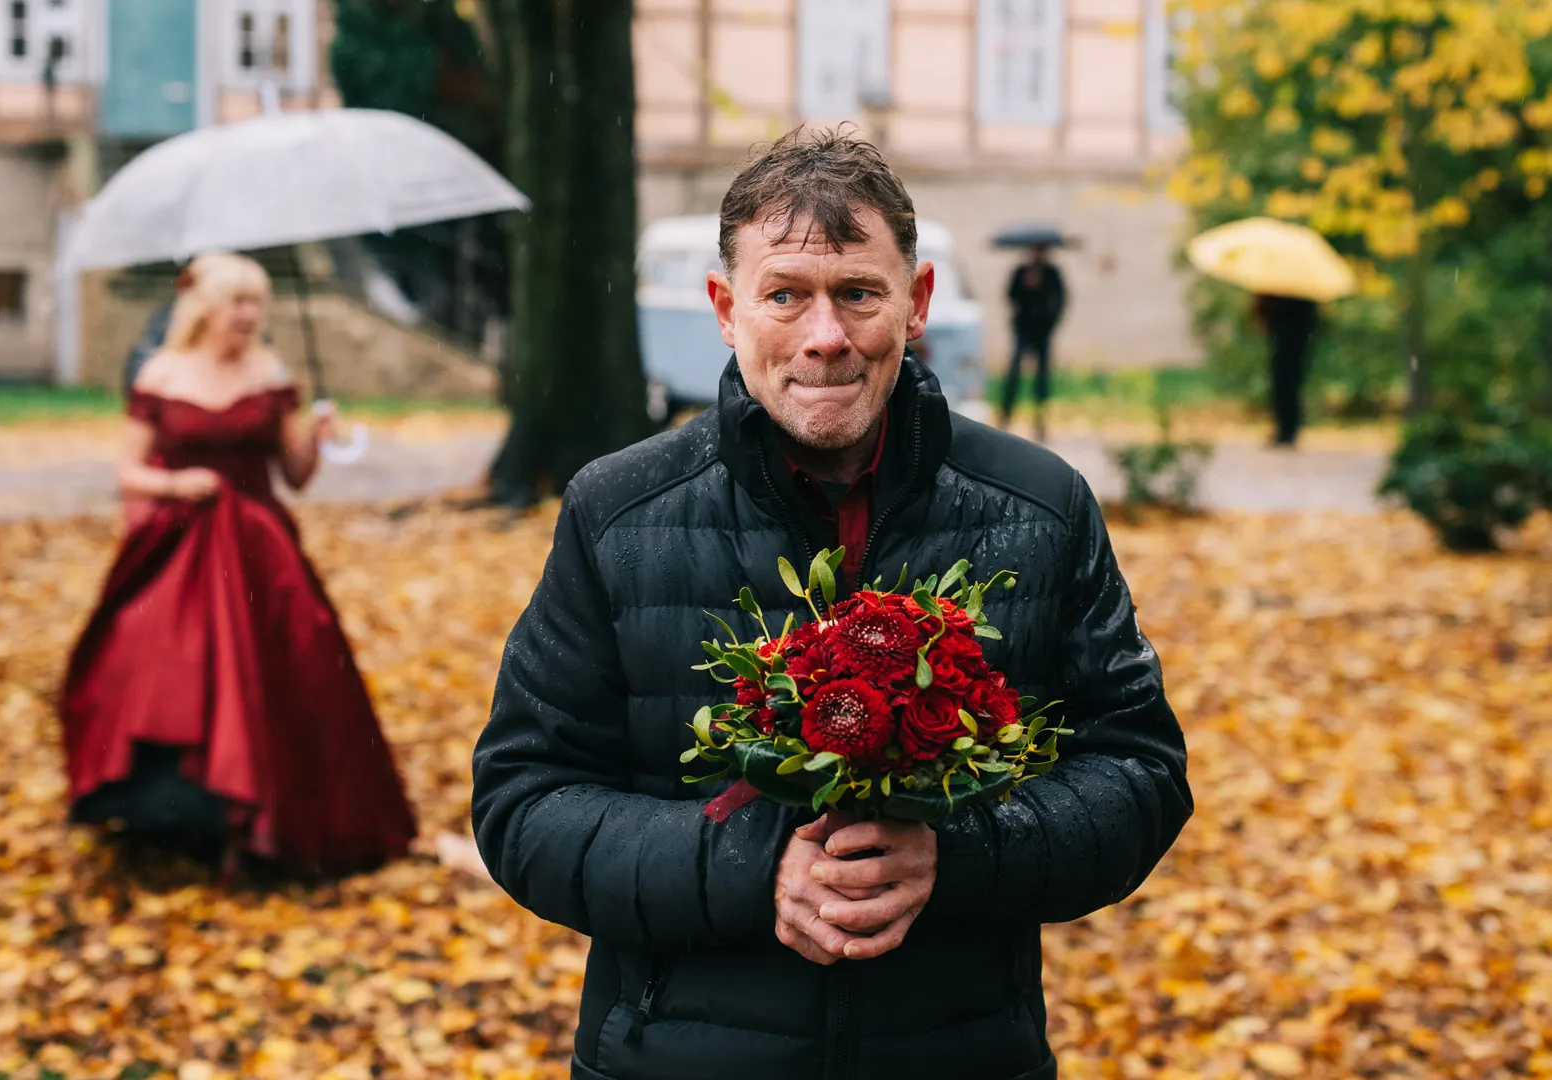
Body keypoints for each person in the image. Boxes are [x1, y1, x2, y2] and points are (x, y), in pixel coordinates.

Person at [471, 128, 1192, 1080]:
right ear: (726, 309)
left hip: (957, 1052)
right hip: (679, 1056)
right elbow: (524, 801)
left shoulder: (1038, 509)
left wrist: (959, 856)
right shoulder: (620, 514)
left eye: (858, 293)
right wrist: (749, 868)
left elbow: (1140, 772)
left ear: (917, 301)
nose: (824, 336)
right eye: (785, 296)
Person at [59, 252, 416, 879]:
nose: (250, 315)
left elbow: (296, 477)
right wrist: (177, 486)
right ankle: (167, 817)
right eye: (238, 302)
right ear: (206, 308)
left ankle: (265, 822)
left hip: (260, 553)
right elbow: (128, 471)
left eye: (257, 303)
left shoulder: (270, 372)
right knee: (162, 671)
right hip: (180, 547)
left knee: (285, 670)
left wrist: (316, 437)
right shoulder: (163, 372)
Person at [1000, 242, 1066, 440]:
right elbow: (1010, 295)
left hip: (1043, 331)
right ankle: (1006, 417)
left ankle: (1041, 422)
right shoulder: (1021, 271)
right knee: (1014, 375)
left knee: (1042, 378)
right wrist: (1026, 286)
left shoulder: (1052, 273)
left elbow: (1061, 300)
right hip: (1023, 329)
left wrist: (1051, 321)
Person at [1253, 293, 1320, 447]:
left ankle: (1287, 430)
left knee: (1285, 382)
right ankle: (1286, 429)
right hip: (1290, 332)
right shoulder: (1301, 287)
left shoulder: (1285, 287)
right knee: (1287, 382)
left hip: (1289, 333)